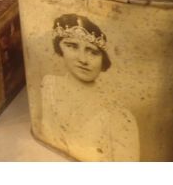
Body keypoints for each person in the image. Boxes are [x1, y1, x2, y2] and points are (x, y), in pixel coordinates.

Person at [39, 14, 140, 161]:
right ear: (59, 48)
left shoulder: (119, 116)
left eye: (93, 52)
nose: (83, 59)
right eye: (72, 46)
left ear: (103, 60)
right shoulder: (49, 86)